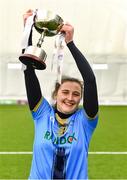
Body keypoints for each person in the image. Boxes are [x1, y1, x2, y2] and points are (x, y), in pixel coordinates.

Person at [22, 9, 99, 180]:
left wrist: (70, 43)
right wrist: (27, 31)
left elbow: (90, 80)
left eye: (76, 94)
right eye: (65, 92)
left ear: (81, 98)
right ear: (56, 94)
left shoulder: (85, 122)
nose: (70, 98)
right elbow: (28, 69)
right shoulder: (42, 114)